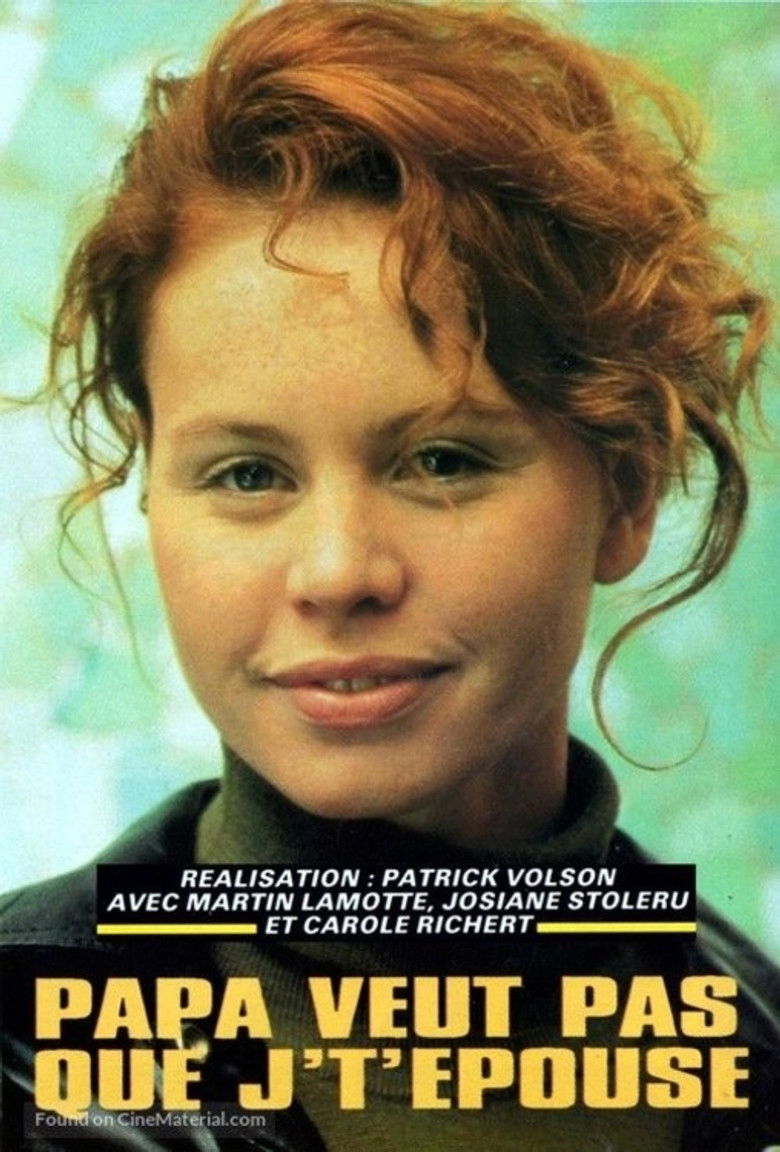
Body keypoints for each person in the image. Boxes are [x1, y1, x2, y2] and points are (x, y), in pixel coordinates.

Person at [1, 1, 778, 1149]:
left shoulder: (755, 1034)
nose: (337, 573)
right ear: (152, 494)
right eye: (247, 474)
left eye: (443, 461)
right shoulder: (20, 1052)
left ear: (626, 494)